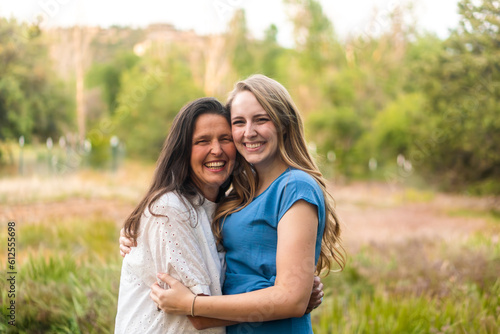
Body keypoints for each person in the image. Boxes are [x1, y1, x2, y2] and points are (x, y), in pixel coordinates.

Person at [149, 74, 345, 333]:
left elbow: (292, 299)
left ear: (284, 124)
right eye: (239, 122)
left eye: (261, 119)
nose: (249, 132)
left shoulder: (295, 186)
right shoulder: (241, 191)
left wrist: (193, 305)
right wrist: (140, 235)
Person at [115, 97, 241, 333]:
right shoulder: (169, 208)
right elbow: (201, 313)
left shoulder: (228, 210)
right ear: (182, 151)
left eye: (226, 139)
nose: (217, 149)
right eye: (202, 141)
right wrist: (286, 302)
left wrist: (290, 283)